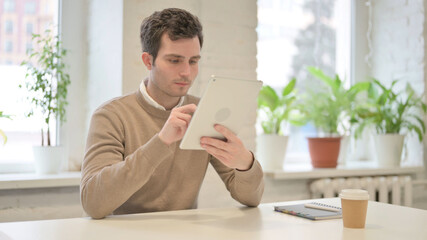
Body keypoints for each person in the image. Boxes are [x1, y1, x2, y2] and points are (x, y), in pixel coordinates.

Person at [80, 8, 264, 219]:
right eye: (175, 61)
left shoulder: (203, 112)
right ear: (148, 61)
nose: (186, 72)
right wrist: (161, 141)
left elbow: (251, 199)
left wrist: (245, 163)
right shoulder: (111, 115)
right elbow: (93, 203)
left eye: (193, 61)